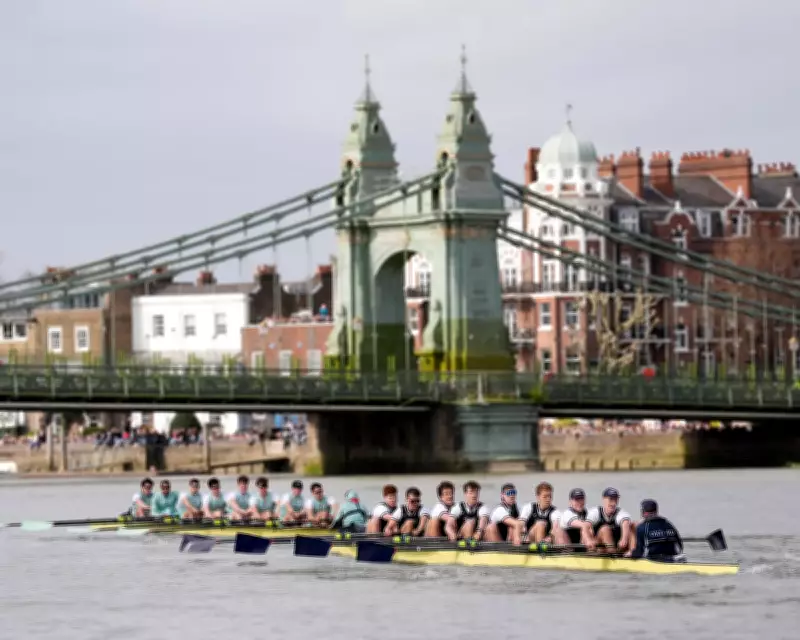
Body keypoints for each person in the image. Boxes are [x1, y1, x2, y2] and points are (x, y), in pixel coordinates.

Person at [587, 487, 634, 552]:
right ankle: (613, 555)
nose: (613, 503)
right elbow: (585, 527)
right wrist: (588, 540)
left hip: (616, 547)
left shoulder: (621, 512)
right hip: (597, 548)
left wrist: (624, 539)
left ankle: (633, 552)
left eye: (616, 500)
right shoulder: (594, 512)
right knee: (605, 529)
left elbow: (625, 522)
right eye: (611, 499)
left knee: (633, 525)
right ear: (603, 499)